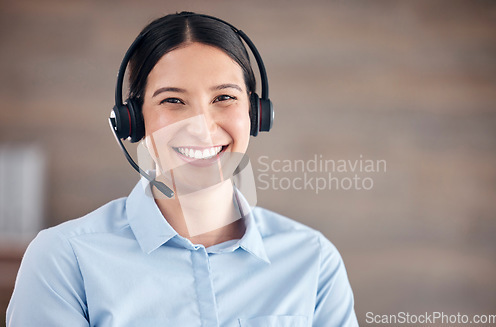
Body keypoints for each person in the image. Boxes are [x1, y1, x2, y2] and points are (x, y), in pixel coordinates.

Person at [6, 12, 358, 327]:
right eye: (173, 100)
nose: (201, 128)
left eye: (224, 98)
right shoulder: (64, 260)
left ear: (255, 113)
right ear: (133, 120)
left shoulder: (312, 259)